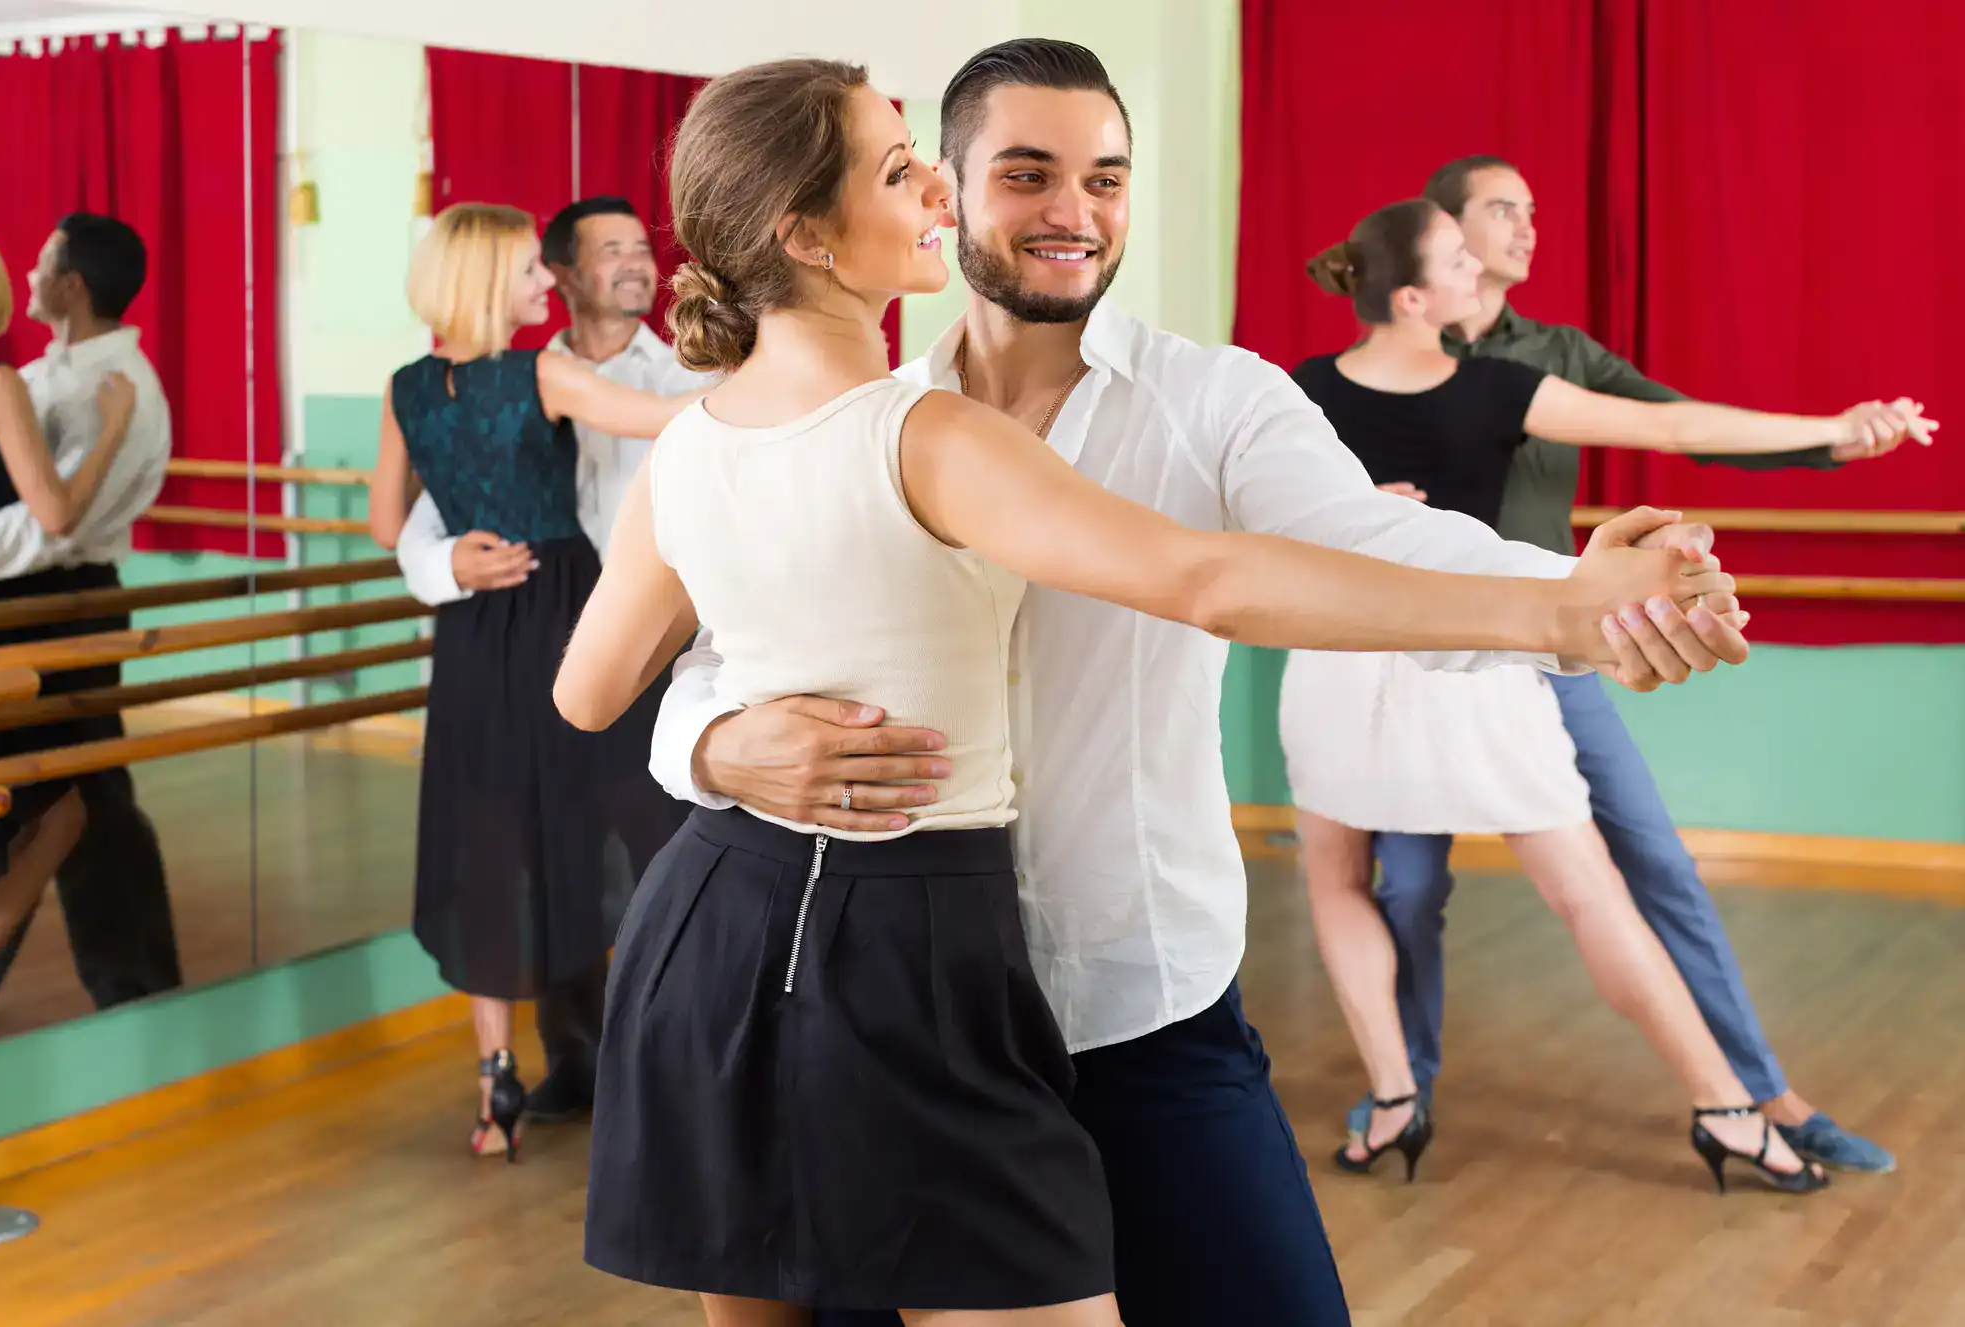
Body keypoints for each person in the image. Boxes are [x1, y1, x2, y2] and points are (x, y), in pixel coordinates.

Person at [637, 40, 1751, 1327]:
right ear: (941, 188)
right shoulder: (861, 415)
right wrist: (714, 747)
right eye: (1027, 174)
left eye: (1105, 177)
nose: (1074, 211)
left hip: (1136, 1012)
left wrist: (1576, 606)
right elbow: (715, 657)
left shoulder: (1210, 400)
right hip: (891, 1021)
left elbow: (1366, 550)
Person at [1284, 198, 1930, 1194]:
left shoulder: (1306, 393)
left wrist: (1830, 433)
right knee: (1563, 887)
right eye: (1460, 259)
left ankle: (1397, 1096)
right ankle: (1720, 1107)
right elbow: (1666, 425)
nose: (1481, 275)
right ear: (1410, 297)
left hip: (1346, 651)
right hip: (1468, 650)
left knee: (1349, 883)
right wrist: (1833, 429)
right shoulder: (1485, 386)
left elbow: (1668, 421)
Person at [367, 201, 698, 1161]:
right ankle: (646, 1068)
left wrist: (457, 557)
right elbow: (670, 414)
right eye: (526, 272)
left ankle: (495, 1087)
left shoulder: (403, 388)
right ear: (485, 284)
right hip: (565, 612)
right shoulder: (543, 371)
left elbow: (386, 521)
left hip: (476, 631)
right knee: (630, 819)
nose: (543, 285)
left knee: (492, 835)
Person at [0, 214, 181, 1036]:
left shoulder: (119, 386)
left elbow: (52, 525)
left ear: (72, 285)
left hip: (64, 600)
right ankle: (129, 989)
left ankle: (136, 991)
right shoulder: (32, 375)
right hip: (12, 603)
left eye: (40, 258)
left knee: (78, 797)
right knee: (43, 803)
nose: (26, 272)